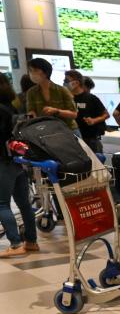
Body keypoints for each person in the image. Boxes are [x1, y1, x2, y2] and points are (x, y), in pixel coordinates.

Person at [0, 75, 39, 258]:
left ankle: (15, 244)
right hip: (17, 160)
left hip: (2, 161)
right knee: (24, 204)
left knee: (2, 204)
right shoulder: (11, 106)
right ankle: (31, 242)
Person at [25, 58, 79, 134]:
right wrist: (30, 119)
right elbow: (31, 112)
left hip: (68, 130)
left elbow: (74, 114)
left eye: (35, 70)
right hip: (46, 131)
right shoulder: (31, 92)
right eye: (30, 71)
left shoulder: (62, 90)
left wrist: (57, 111)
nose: (32, 74)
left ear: (45, 72)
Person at [65, 72, 108, 154]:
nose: (65, 83)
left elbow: (106, 114)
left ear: (77, 83)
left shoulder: (91, 98)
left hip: (90, 138)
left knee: (96, 164)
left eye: (67, 80)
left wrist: (94, 120)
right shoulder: (66, 99)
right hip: (71, 138)